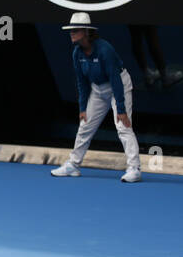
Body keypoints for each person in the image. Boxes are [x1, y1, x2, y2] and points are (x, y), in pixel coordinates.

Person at [51, 13, 142, 183]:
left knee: (123, 126)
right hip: (97, 90)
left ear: (86, 32)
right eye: (70, 30)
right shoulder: (76, 53)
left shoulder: (105, 50)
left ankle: (134, 168)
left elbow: (115, 80)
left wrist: (121, 109)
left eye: (75, 30)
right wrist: (82, 108)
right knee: (84, 126)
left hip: (118, 86)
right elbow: (81, 82)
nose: (71, 33)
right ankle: (73, 165)